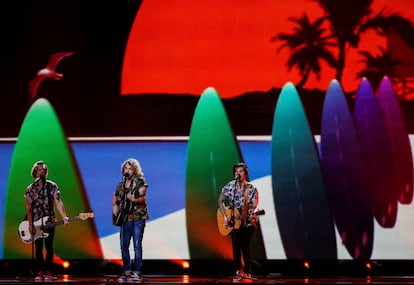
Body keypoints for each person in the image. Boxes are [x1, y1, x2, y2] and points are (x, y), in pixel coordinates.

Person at [24, 161, 69, 281]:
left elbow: (58, 202)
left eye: (43, 169)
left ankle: (48, 271)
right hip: (36, 221)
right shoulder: (30, 189)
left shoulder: (52, 186)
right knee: (38, 247)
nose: (42, 171)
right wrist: (29, 224)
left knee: (49, 246)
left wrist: (64, 216)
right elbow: (28, 208)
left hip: (49, 220)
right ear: (35, 172)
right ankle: (39, 271)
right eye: (39, 169)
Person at [217, 162, 260, 283]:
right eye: (236, 171)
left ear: (245, 173)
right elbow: (220, 199)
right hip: (234, 222)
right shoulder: (230, 186)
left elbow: (256, 206)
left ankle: (247, 272)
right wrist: (225, 216)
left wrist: (253, 211)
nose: (238, 173)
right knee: (236, 248)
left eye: (240, 171)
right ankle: (238, 271)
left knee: (244, 246)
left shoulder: (251, 188)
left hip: (248, 222)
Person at [112, 158, 149, 283]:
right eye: (125, 168)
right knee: (124, 245)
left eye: (130, 168)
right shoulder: (121, 184)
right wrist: (115, 209)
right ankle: (126, 271)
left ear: (134, 170)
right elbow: (115, 198)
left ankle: (137, 272)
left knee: (137, 245)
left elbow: (143, 197)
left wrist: (134, 199)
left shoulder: (140, 181)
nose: (127, 171)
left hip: (138, 216)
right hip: (125, 218)